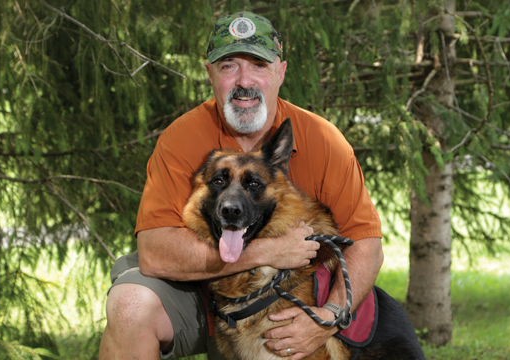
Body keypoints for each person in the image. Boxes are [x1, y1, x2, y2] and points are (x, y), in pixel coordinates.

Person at [99, 11, 383, 360]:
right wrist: (265, 251)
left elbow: (367, 242)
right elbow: (154, 254)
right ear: (210, 74)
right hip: (198, 297)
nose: (244, 81)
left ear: (280, 72)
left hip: (287, 303)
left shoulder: (324, 140)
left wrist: (329, 317)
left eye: (259, 66)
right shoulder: (180, 139)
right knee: (130, 306)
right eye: (229, 65)